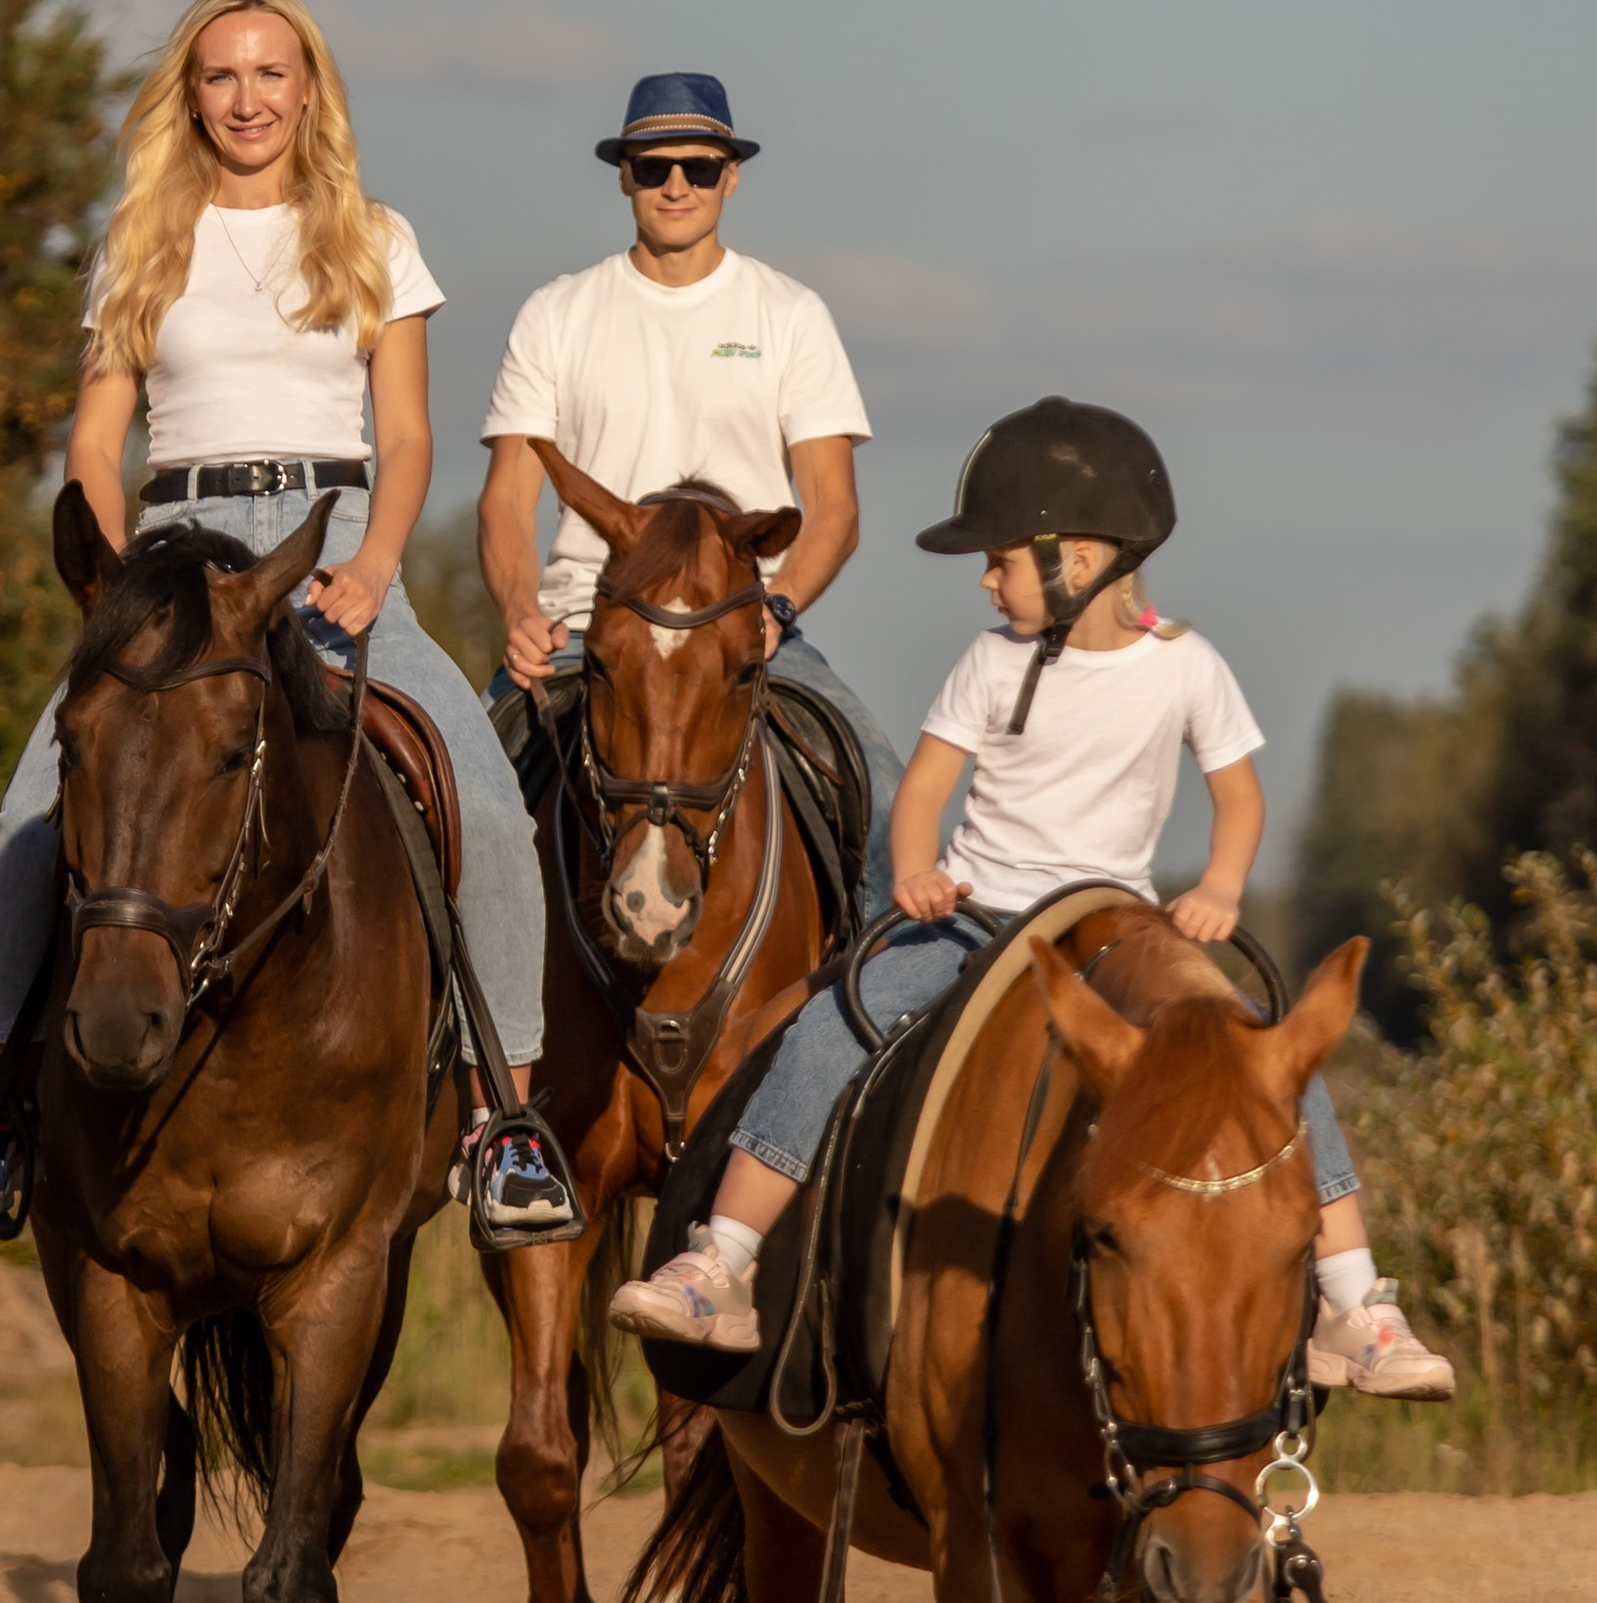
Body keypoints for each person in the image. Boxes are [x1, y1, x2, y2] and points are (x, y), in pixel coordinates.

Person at [609, 396, 1456, 1401]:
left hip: (1119, 925)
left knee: (1271, 1060)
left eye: (1000, 557)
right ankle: (726, 1261)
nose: (983, 577)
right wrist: (918, 870)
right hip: (978, 919)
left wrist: (1222, 887)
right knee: (834, 1025)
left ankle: (1354, 1308)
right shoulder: (987, 659)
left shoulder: (1186, 665)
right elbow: (922, 789)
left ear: (1080, 560)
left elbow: (1236, 795)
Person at [0, 0, 574, 1243]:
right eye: (221, 75)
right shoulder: (140, 244)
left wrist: (378, 563)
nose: (247, 98)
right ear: (191, 95)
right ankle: (1, 1116)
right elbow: (97, 440)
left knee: (488, 807)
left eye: (272, 73)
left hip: (326, 545)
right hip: (173, 551)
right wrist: (113, 594)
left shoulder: (378, 239)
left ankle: (506, 1126)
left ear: (309, 90)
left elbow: (407, 435)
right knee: (26, 816)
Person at [477, 71, 903, 914]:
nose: (677, 184)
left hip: (743, 631)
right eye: (654, 165)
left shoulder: (789, 313)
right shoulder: (556, 312)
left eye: (699, 169)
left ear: (731, 177)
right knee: (463, 811)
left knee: (888, 798)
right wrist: (522, 613)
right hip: (584, 626)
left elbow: (835, 508)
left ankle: (889, 1020)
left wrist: (776, 613)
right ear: (624, 174)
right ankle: (445, 1034)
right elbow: (504, 501)